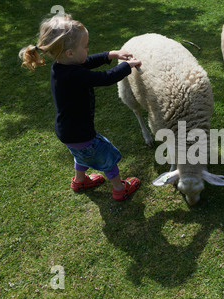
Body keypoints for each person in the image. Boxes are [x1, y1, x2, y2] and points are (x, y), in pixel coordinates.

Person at [19, 14, 141, 201]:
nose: (88, 49)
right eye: (85, 47)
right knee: (106, 156)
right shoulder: (75, 75)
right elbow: (106, 78)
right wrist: (127, 66)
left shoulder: (60, 67)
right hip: (81, 133)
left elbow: (85, 61)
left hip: (66, 132)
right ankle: (119, 188)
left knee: (81, 155)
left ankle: (80, 181)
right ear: (69, 53)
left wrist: (111, 54)